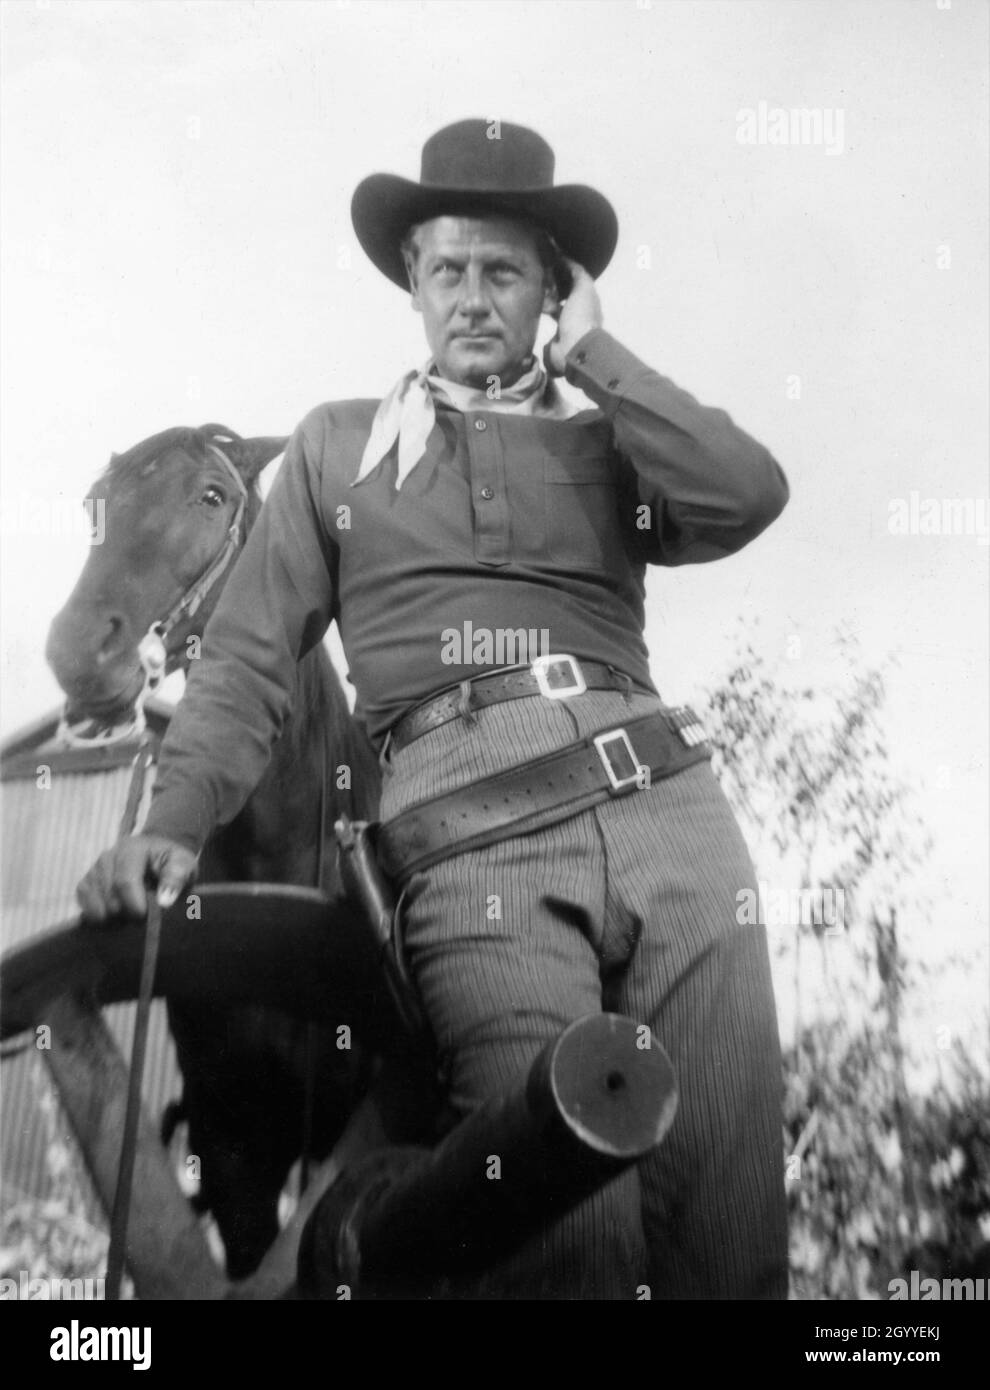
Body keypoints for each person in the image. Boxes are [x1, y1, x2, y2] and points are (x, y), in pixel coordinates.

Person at [77, 118, 790, 1299]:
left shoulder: (611, 444)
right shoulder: (335, 450)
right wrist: (172, 822)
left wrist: (602, 363)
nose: (471, 298)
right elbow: (249, 663)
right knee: (565, 1231)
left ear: (553, 291)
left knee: (729, 1239)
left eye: (504, 271)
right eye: (447, 268)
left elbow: (747, 490)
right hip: (470, 830)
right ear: (411, 280)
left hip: (672, 807)